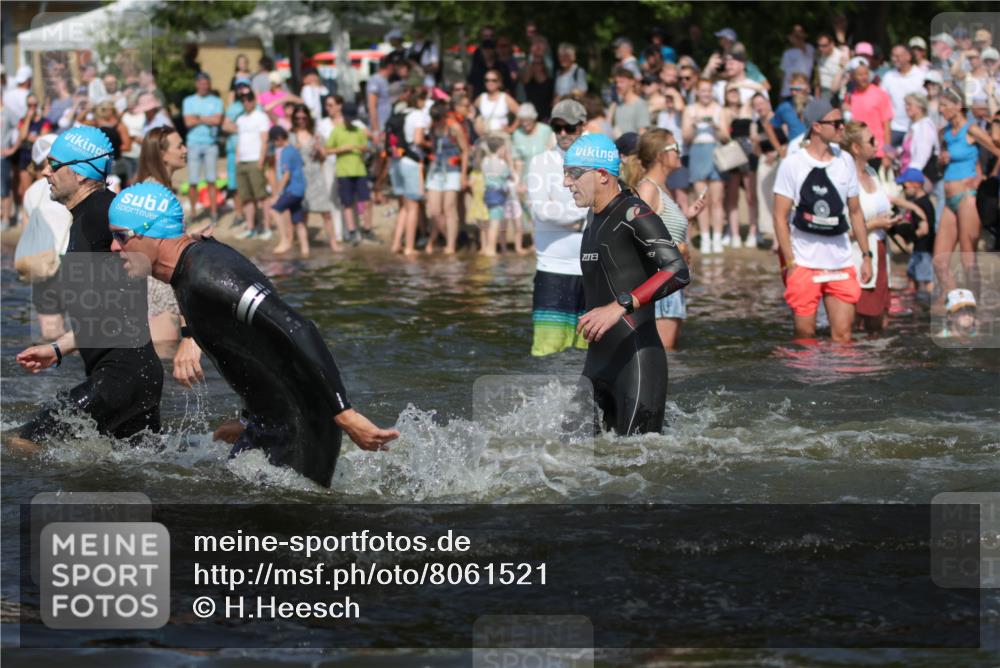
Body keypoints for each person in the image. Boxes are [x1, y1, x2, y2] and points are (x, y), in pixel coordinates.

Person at [105, 183, 399, 486]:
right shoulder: (186, 271)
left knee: (291, 525)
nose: (114, 247)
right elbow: (254, 348)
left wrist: (344, 413)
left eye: (120, 236)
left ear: (153, 233)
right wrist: (247, 418)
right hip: (267, 422)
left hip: (303, 425)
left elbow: (297, 328)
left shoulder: (208, 275)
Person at [11, 127, 163, 449]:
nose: (45, 172)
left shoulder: (100, 211)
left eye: (54, 165)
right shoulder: (84, 216)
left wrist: (190, 335)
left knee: (24, 443)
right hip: (133, 375)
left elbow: (167, 251)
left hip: (121, 376)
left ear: (80, 173)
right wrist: (56, 349)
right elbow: (107, 313)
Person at [562, 133, 690, 435]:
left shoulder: (634, 212)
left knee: (632, 468)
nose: (567, 182)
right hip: (597, 363)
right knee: (564, 457)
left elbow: (677, 270)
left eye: (574, 173)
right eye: (565, 173)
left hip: (637, 363)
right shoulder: (593, 219)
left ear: (603, 175)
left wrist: (619, 306)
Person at [772, 99, 873, 343]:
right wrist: (790, 262)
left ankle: (839, 381)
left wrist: (866, 255)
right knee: (805, 338)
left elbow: (856, 211)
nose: (842, 129)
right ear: (816, 126)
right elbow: (779, 215)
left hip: (840, 261)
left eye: (843, 123)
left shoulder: (845, 161)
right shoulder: (793, 164)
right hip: (804, 262)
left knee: (843, 337)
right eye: (836, 123)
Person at [134, 125, 204, 379]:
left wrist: (190, 236)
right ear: (162, 154)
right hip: (158, 289)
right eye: (179, 146)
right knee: (161, 364)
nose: (185, 150)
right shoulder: (155, 193)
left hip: (160, 284)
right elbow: (145, 241)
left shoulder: (156, 189)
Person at [525, 99, 590, 356]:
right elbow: (541, 209)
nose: (562, 133)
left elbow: (602, 204)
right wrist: (580, 216)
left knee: (589, 351)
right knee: (547, 351)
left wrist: (569, 216)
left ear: (582, 126)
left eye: (569, 127)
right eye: (557, 127)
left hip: (590, 269)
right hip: (552, 268)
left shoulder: (594, 162)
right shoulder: (541, 162)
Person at [635, 129, 705, 350]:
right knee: (665, 356)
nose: (679, 152)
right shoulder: (648, 188)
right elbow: (637, 235)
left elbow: (660, 230)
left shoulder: (663, 189)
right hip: (661, 283)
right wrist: (675, 248)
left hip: (670, 282)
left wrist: (687, 219)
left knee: (668, 354)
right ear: (659, 156)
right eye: (674, 148)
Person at [933, 88, 1000, 308]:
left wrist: (986, 180)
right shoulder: (943, 133)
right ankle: (958, 305)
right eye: (940, 106)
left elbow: (997, 150)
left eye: (944, 105)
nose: (941, 110)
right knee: (940, 261)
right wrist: (940, 162)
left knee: (967, 257)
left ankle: (976, 309)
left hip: (967, 197)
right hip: (949, 197)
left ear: (957, 105)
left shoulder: (970, 130)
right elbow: (939, 168)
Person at [19, 134, 72, 340]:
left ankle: (52, 372)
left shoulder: (31, 192)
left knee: (51, 336)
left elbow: (27, 237)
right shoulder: (73, 185)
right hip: (75, 262)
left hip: (43, 265)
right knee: (85, 335)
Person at [289, 103, 340, 252]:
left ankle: (333, 244)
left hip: (316, 175)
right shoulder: (291, 136)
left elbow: (323, 158)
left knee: (326, 212)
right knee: (303, 213)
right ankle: (303, 246)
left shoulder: (316, 135)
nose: (301, 120)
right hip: (299, 176)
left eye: (303, 118)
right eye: (297, 118)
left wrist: (319, 150)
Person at [682, 78, 725, 253]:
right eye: (703, 90)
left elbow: (725, 137)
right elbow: (686, 137)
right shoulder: (689, 110)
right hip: (697, 151)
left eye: (709, 90)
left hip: (716, 152)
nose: (706, 94)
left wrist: (715, 126)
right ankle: (706, 237)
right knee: (702, 199)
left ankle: (717, 238)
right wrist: (694, 123)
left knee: (717, 200)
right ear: (697, 92)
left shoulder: (719, 109)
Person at [224, 91, 272, 239]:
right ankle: (251, 227)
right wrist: (237, 158)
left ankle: (266, 227)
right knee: (247, 197)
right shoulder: (241, 119)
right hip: (242, 161)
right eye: (243, 100)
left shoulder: (261, 116)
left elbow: (264, 139)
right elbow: (239, 139)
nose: (246, 103)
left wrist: (261, 160)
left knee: (261, 196)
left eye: (248, 100)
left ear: (254, 100)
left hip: (255, 160)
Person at [424, 100, 469, 254]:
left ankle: (450, 245)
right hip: (436, 171)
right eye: (434, 119)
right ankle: (446, 236)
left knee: (449, 208)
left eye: (438, 118)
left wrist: (463, 175)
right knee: (435, 210)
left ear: (445, 116)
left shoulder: (454, 128)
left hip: (452, 170)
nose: (436, 122)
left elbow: (465, 151)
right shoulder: (432, 127)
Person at [327, 102, 372, 246]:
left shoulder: (359, 131)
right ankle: (352, 231)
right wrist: (342, 149)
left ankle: (367, 229)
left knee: (365, 201)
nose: (350, 119)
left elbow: (367, 148)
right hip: (343, 172)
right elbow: (327, 150)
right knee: (347, 203)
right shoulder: (337, 131)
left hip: (360, 170)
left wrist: (362, 148)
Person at [182, 72, 224, 227]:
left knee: (211, 180)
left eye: (206, 83)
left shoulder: (217, 101)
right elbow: (187, 122)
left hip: (210, 144)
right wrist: (208, 119)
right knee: (193, 181)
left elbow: (218, 120)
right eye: (201, 83)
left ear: (209, 84)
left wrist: (198, 118)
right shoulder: (189, 101)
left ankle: (213, 213)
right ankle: (193, 213)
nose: (203, 86)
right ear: (196, 84)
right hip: (193, 144)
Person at [720, 83, 757, 248]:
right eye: (730, 91)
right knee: (732, 196)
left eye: (736, 91)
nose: (734, 93)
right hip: (734, 152)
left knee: (751, 196)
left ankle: (753, 232)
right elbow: (723, 133)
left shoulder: (748, 107)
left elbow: (760, 89)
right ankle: (734, 233)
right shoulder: (725, 111)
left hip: (749, 153)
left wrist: (739, 83)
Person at [267, 126, 309, 256]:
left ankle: (285, 241)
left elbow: (286, 175)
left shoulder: (285, 152)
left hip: (293, 190)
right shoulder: (294, 150)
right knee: (298, 221)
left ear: (279, 139)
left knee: (274, 210)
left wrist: (278, 194)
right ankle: (305, 249)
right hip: (301, 189)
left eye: (274, 141)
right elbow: (301, 164)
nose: (274, 144)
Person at [895, 168, 935, 300]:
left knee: (926, 281)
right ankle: (915, 307)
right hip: (921, 249)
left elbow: (924, 230)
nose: (903, 189)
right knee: (912, 278)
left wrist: (909, 238)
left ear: (916, 184)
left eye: (905, 185)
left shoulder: (922, 204)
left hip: (923, 251)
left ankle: (930, 307)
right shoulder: (922, 202)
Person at [753, 93, 786, 247]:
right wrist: (755, 143)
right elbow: (757, 152)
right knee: (765, 199)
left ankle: (780, 237)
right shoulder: (755, 125)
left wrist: (778, 153)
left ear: (768, 103)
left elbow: (790, 139)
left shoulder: (779, 119)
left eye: (762, 103)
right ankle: (772, 233)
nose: (760, 107)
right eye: (756, 104)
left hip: (781, 160)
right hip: (764, 162)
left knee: (779, 199)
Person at [843, 61, 893, 164]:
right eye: (860, 75)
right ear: (853, 76)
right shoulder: (849, 96)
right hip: (857, 152)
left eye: (866, 74)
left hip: (876, 151)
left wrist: (887, 153)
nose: (864, 77)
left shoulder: (880, 94)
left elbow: (887, 126)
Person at [880, 45, 927, 148]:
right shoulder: (888, 77)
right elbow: (882, 102)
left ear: (908, 57)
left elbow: (925, 102)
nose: (894, 59)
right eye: (892, 56)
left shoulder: (921, 76)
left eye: (898, 56)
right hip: (893, 128)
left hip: (915, 126)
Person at [475, 68, 520, 134]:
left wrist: (511, 128)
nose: (490, 82)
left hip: (500, 136)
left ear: (499, 82)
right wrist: (477, 122)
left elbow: (521, 113)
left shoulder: (505, 97)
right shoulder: (481, 97)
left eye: (494, 80)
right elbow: (470, 111)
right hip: (485, 135)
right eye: (487, 80)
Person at [610, 67, 651, 137]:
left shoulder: (640, 104)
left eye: (622, 82)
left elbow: (643, 133)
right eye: (616, 82)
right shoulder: (618, 105)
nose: (618, 85)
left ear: (632, 82)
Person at [780, 25, 815, 98]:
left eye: (800, 32)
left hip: (803, 90)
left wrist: (798, 37)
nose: (798, 36)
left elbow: (802, 47)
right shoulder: (787, 53)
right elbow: (784, 74)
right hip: (787, 91)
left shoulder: (809, 48)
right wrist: (780, 93)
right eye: (795, 34)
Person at [815, 33, 846, 101]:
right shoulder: (819, 55)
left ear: (832, 44)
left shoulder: (841, 56)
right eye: (819, 46)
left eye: (824, 46)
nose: (821, 48)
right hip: (822, 92)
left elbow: (847, 77)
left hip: (836, 93)